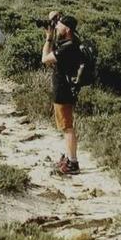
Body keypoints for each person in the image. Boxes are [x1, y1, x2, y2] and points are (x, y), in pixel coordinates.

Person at [42, 11, 82, 175]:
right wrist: (54, 20)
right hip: (66, 88)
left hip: (63, 90)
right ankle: (69, 157)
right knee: (66, 126)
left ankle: (73, 163)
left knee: (67, 127)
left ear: (67, 29)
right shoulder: (72, 42)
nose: (57, 27)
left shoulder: (68, 47)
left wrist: (48, 38)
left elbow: (45, 59)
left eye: (60, 25)